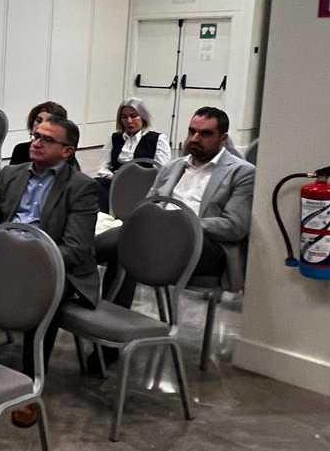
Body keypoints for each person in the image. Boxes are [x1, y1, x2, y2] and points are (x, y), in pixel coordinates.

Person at [0, 116, 99, 427]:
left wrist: (26, 262)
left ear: (67, 151)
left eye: (47, 139)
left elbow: (75, 250)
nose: (36, 142)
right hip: (1, 256)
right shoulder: (12, 173)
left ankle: (29, 385)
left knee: (41, 297)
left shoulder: (81, 187)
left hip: (48, 266)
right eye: (36, 135)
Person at [97, 106, 255, 311]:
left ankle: (76, 267)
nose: (195, 139)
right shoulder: (173, 167)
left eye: (205, 134)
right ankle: (110, 315)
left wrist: (178, 223)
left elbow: (234, 227)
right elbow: (147, 204)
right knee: (126, 242)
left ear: (223, 139)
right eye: (192, 131)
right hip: (159, 236)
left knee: (127, 240)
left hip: (205, 243)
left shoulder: (242, 172)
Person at [93, 97, 167, 212]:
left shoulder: (157, 139)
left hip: (142, 185)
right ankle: (104, 216)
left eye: (133, 116)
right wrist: (114, 177)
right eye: (124, 117)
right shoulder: (115, 138)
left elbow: (162, 171)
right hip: (116, 182)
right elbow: (103, 167)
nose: (129, 121)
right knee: (95, 184)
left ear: (143, 117)